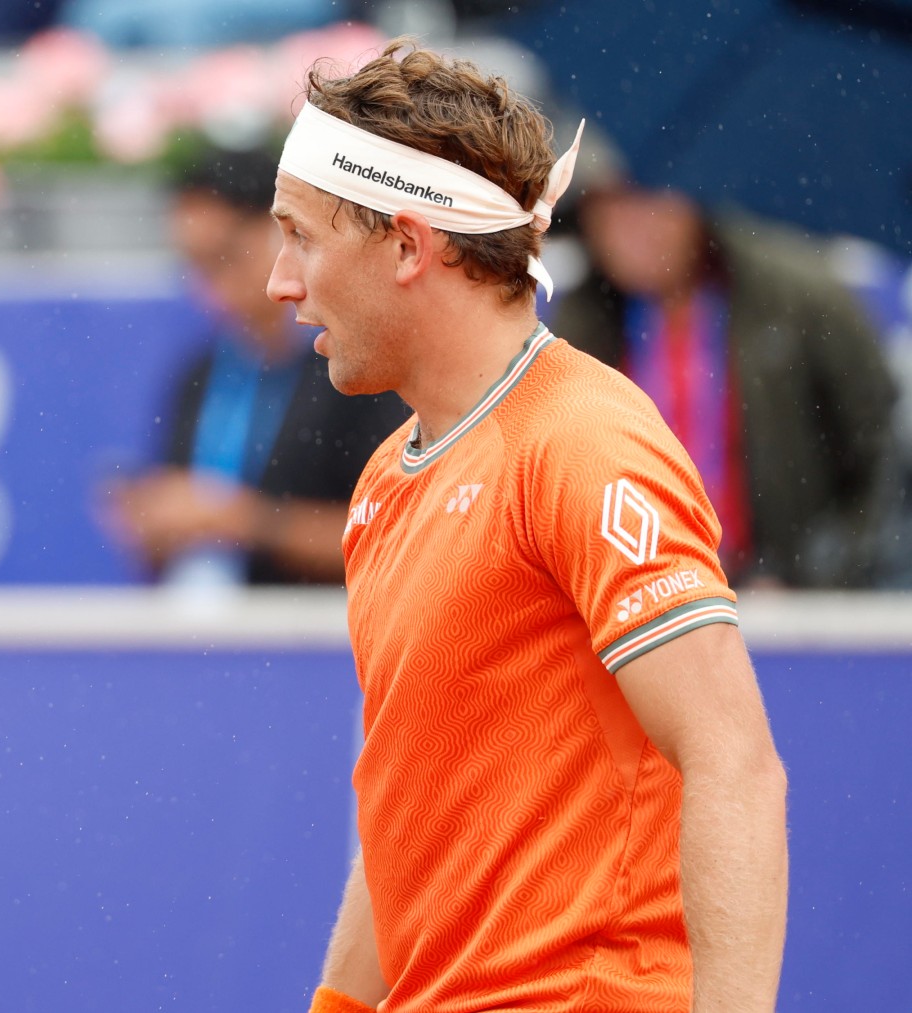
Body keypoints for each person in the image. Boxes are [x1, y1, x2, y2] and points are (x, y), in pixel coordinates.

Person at [265, 41, 787, 1013]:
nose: (279, 282)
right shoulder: (389, 478)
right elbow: (409, 812)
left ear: (410, 246)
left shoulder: (586, 442)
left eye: (300, 236)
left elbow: (733, 763)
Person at [555, 181, 900, 588]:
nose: (633, 227)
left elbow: (882, 459)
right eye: (609, 208)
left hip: (791, 613)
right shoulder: (576, 326)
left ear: (695, 200)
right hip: (638, 600)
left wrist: (810, 581)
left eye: (650, 199)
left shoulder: (802, 298)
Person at [109, 145, 406, 585]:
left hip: (317, 639)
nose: (209, 288)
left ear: (285, 232)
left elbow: (396, 541)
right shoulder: (200, 371)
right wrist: (155, 526)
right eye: (195, 265)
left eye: (223, 255)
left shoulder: (358, 370)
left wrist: (245, 522)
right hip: (213, 638)